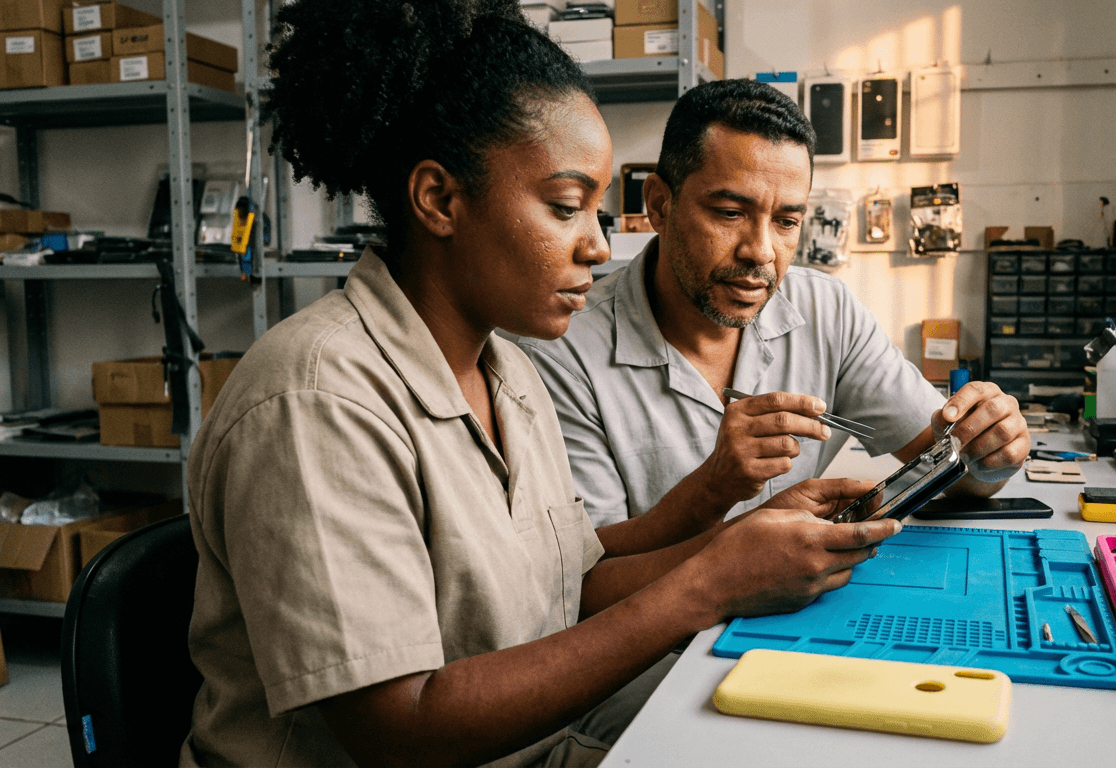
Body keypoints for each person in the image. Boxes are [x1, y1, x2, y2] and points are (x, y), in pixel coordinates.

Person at [180, 3, 901, 767]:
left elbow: (574, 579)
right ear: (439, 200)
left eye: (594, 209)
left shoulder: (507, 370)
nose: (598, 244)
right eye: (565, 207)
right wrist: (707, 587)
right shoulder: (317, 401)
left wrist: (743, 537)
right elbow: (402, 731)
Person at [520, 80, 1031, 552]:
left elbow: (960, 470)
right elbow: (585, 578)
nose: (761, 252)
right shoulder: (562, 352)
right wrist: (712, 491)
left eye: (787, 221)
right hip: (670, 653)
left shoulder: (826, 313)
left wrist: (991, 450)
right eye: (729, 213)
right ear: (659, 204)